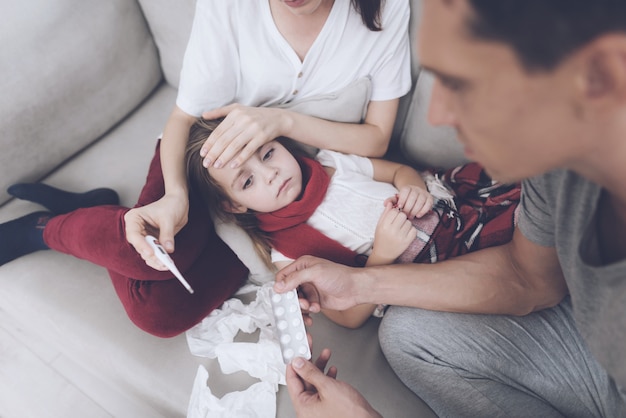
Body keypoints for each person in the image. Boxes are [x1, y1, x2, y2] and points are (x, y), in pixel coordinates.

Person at [274, 0, 626, 417]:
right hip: (594, 350)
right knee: (407, 331)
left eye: (463, 83)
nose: (437, 115)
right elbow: (528, 276)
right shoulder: (557, 160)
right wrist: (361, 284)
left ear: (603, 74)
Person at [0, 0, 411, 337]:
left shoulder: (384, 9)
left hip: (260, 208)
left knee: (157, 313)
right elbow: (183, 120)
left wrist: (282, 123)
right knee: (145, 255)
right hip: (201, 162)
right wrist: (176, 196)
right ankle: (43, 229)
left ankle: (101, 213)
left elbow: (377, 137)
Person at [185, 118, 519, 328]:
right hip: (423, 267)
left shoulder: (332, 163)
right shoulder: (287, 255)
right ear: (235, 205)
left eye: (268, 153)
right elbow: (347, 317)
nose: (270, 173)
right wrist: (383, 255)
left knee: (515, 178)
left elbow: (397, 171)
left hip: (446, 207)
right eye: (247, 182)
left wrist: (414, 188)